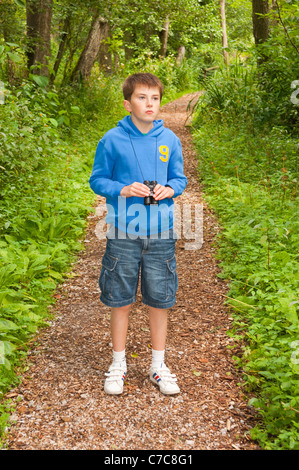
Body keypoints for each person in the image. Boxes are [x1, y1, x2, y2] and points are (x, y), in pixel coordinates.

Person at [89, 73, 187, 395]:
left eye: (155, 98)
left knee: (160, 299)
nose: (150, 104)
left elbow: (180, 180)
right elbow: (97, 180)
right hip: (122, 233)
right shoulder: (112, 139)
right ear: (127, 103)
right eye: (142, 97)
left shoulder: (170, 140)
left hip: (161, 233)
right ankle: (118, 363)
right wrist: (123, 189)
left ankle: (158, 365)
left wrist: (168, 189)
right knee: (121, 298)